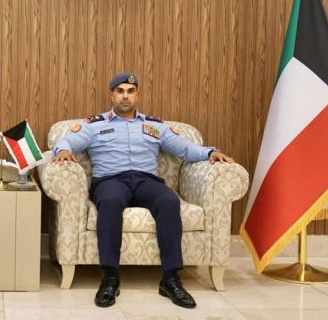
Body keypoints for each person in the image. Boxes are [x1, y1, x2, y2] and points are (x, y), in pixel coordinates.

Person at [51, 72, 234, 309]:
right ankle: (110, 278)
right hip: (110, 180)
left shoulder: (154, 126)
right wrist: (63, 151)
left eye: (130, 91)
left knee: (169, 201)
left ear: (137, 95)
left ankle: (170, 279)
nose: (125, 96)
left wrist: (210, 152)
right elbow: (66, 141)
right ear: (112, 95)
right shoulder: (95, 125)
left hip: (146, 181)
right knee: (110, 202)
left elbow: (186, 149)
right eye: (120, 91)